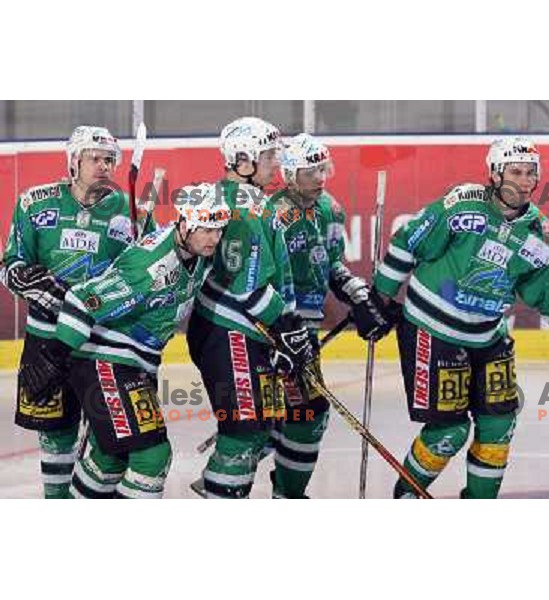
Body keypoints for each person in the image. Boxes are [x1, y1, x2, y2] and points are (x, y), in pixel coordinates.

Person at [369, 136, 549, 499]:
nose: (524, 181)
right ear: (494, 173)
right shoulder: (463, 205)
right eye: (515, 171)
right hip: (433, 331)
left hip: (488, 337)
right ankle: (407, 496)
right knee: (450, 431)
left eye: (530, 173)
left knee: (499, 422)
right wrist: (379, 297)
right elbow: (409, 241)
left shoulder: (542, 235)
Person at [20, 183, 229, 499]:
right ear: (185, 224)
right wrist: (54, 355)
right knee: (152, 457)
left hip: (134, 362)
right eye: (206, 230)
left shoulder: (196, 251)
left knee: (110, 456)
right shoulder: (150, 267)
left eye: (219, 230)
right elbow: (81, 299)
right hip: (107, 359)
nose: (214, 238)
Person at [2, 125, 147, 498]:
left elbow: (146, 270)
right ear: (73, 161)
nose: (104, 166)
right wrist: (28, 280)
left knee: (108, 436)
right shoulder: (35, 202)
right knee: (56, 434)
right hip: (48, 339)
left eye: (110, 160)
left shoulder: (125, 209)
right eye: (94, 159)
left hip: (101, 343)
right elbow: (10, 265)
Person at [187, 117, 314, 499]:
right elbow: (247, 285)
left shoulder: (249, 198)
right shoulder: (238, 204)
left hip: (246, 329)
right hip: (229, 331)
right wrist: (286, 325)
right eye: (269, 155)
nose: (276, 163)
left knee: (257, 427)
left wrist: (283, 327)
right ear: (243, 160)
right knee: (245, 428)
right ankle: (221, 490)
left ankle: (219, 482)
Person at [265, 133, 386, 498]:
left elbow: (330, 262)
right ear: (288, 174)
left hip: (307, 333)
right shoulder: (273, 215)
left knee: (304, 416)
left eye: (323, 169)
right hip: (274, 331)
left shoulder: (330, 209)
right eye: (310, 171)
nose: (320, 178)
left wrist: (358, 294)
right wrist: (282, 325)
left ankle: (285, 489)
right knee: (304, 415)